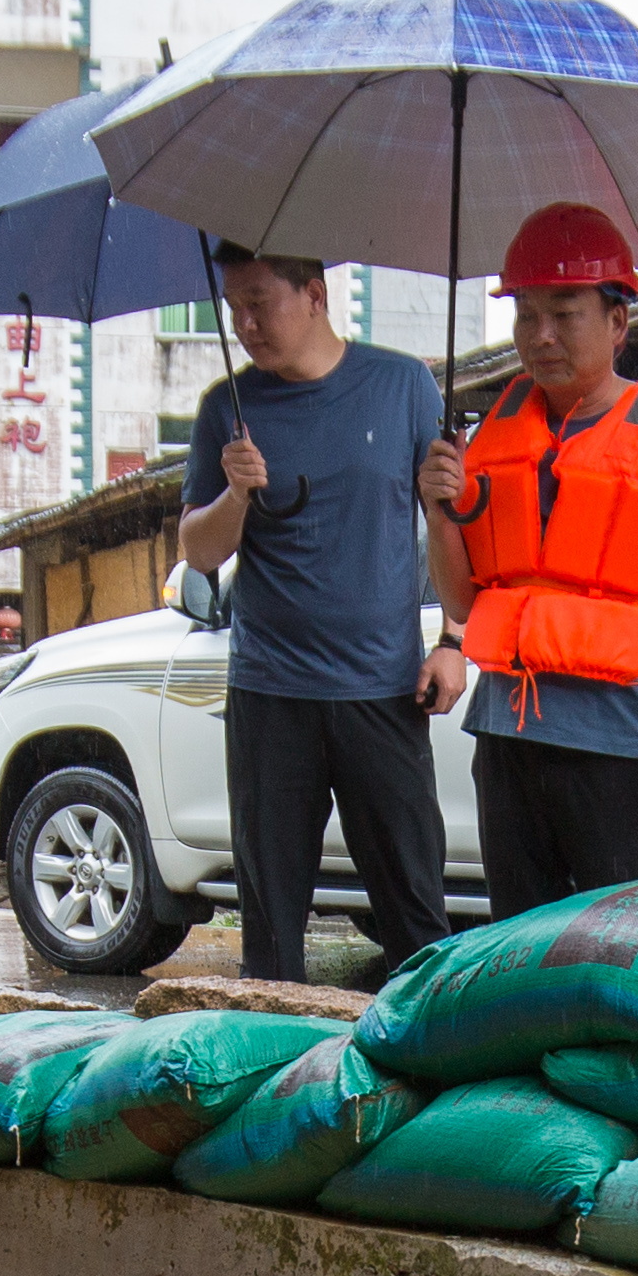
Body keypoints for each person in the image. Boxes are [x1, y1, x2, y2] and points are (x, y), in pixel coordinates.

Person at [412, 203, 638, 916]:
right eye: (525, 314)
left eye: (564, 314)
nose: (540, 336)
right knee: (519, 950)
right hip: (505, 738)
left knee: (620, 948)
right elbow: (465, 604)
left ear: (617, 321)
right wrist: (438, 513)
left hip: (618, 743)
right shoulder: (492, 435)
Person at [177, 240, 456, 980]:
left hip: (382, 692)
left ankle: (424, 1078)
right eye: (234, 309)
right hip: (271, 697)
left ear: (314, 293)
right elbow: (197, 552)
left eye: (259, 304)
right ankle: (272, 1081)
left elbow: (448, 525)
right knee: (269, 926)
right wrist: (234, 494)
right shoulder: (226, 409)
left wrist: (455, 637)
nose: (245, 324)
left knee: (415, 917)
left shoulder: (402, 388)